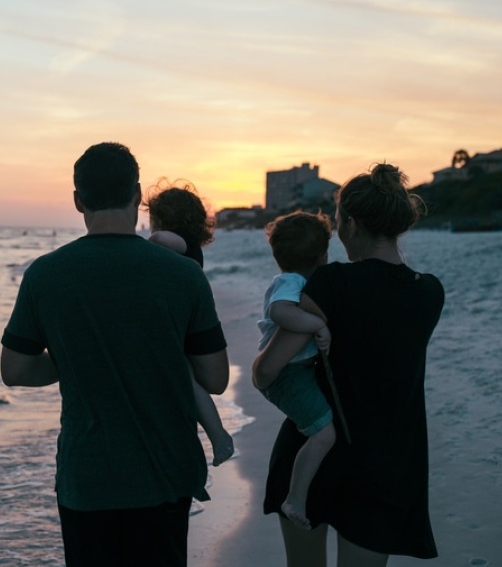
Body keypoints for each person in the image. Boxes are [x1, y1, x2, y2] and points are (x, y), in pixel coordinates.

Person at [0, 142, 230, 567]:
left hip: (87, 478)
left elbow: (14, 369)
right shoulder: (183, 274)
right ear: (137, 193)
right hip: (165, 472)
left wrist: (72, 357)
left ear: (77, 200)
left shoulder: (45, 274)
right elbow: (215, 378)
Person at [252, 163, 444, 566]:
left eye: (339, 224)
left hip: (315, 452)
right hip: (387, 465)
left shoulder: (332, 284)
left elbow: (265, 372)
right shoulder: (428, 293)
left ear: (352, 224)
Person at [251, 210, 335, 531]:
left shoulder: (295, 278)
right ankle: (295, 498)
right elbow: (280, 311)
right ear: (322, 255)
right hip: (286, 374)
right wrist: (316, 324)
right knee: (323, 434)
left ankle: (297, 496)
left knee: (320, 431)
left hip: (293, 370)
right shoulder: (292, 282)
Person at [144, 178, 234, 466]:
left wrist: (135, 244)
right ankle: (217, 434)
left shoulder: (180, 241)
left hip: (177, 326)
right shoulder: (190, 246)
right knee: (188, 381)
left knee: (187, 379)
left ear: (164, 218)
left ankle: (219, 434)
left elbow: (159, 241)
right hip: (179, 321)